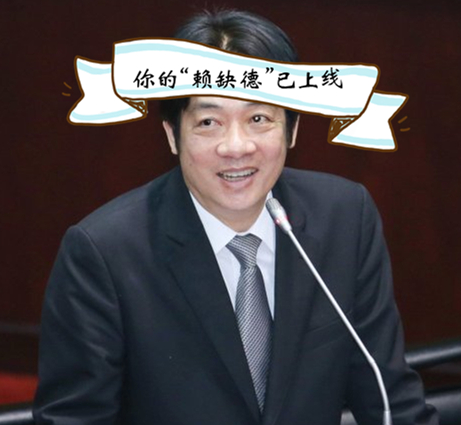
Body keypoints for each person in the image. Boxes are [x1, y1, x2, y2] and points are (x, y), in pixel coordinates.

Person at [33, 9, 438, 425]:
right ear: (172, 135)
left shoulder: (345, 217)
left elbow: (389, 397)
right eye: (209, 122)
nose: (236, 147)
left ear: (292, 129)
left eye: (258, 118)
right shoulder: (104, 253)